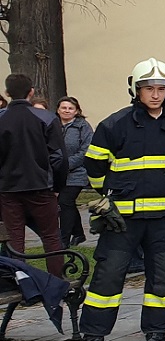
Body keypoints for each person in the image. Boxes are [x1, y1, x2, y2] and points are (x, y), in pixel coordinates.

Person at [79, 59, 165, 341]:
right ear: (135, 89)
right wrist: (107, 197)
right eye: (148, 88)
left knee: (163, 278)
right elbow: (94, 166)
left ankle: (157, 333)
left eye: (161, 89)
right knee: (108, 276)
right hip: (122, 220)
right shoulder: (115, 124)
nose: (155, 95)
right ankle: (93, 336)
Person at [0, 73, 66, 271]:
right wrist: (58, 186)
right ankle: (56, 283)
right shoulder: (45, 117)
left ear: (7, 93)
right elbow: (59, 157)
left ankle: (21, 280)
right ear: (31, 92)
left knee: (15, 238)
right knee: (51, 236)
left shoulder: (2, 119)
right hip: (41, 186)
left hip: (8, 188)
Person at [55, 97, 91, 247]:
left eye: (70, 108)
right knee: (66, 204)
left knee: (65, 201)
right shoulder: (53, 125)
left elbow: (86, 149)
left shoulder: (83, 126)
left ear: (76, 111)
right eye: (64, 108)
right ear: (58, 109)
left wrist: (67, 164)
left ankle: (64, 240)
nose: (67, 111)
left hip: (77, 172)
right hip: (57, 172)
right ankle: (78, 233)